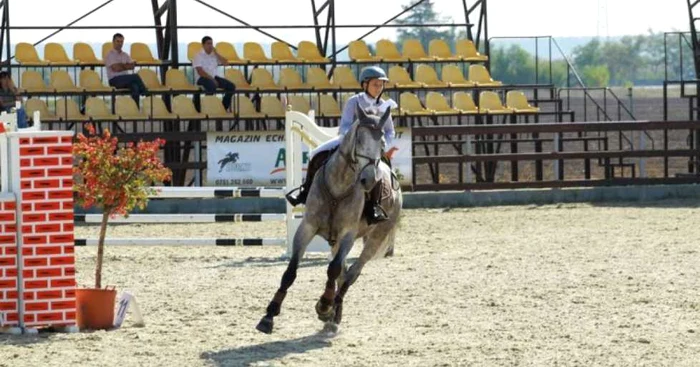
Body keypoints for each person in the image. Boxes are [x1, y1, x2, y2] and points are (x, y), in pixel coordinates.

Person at [286, 66, 397, 224]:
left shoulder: (386, 106)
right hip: (349, 141)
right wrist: (349, 140)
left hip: (371, 148)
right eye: (375, 84)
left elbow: (390, 131)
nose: (378, 88)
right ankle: (304, 191)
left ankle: (374, 206)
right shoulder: (355, 101)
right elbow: (344, 125)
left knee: (378, 172)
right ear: (365, 85)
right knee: (316, 154)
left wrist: (382, 145)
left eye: (381, 85)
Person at [105, 33, 148, 106]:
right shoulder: (110, 54)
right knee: (135, 76)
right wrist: (125, 65)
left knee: (135, 86)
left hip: (125, 80)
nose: (120, 44)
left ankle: (135, 110)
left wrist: (121, 65)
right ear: (113, 42)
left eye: (121, 41)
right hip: (114, 80)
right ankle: (146, 94)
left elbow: (132, 66)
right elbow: (116, 68)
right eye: (117, 41)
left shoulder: (125, 55)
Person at [193, 36, 235, 111]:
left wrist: (216, 53)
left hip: (214, 77)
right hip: (202, 78)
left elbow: (226, 63)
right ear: (203, 45)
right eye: (208, 44)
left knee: (231, 86)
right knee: (211, 86)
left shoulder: (214, 55)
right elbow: (200, 72)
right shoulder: (198, 55)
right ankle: (206, 107)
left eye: (211, 44)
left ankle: (223, 108)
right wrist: (212, 79)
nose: (210, 46)